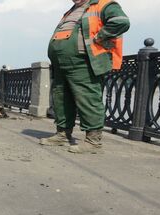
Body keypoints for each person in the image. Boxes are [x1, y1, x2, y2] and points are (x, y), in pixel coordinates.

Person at [41, 0, 129, 154]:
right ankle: (62, 135)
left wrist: (99, 37)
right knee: (61, 99)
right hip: (61, 64)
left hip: (84, 62)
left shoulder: (102, 4)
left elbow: (121, 22)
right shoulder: (72, 10)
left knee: (87, 98)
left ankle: (93, 141)